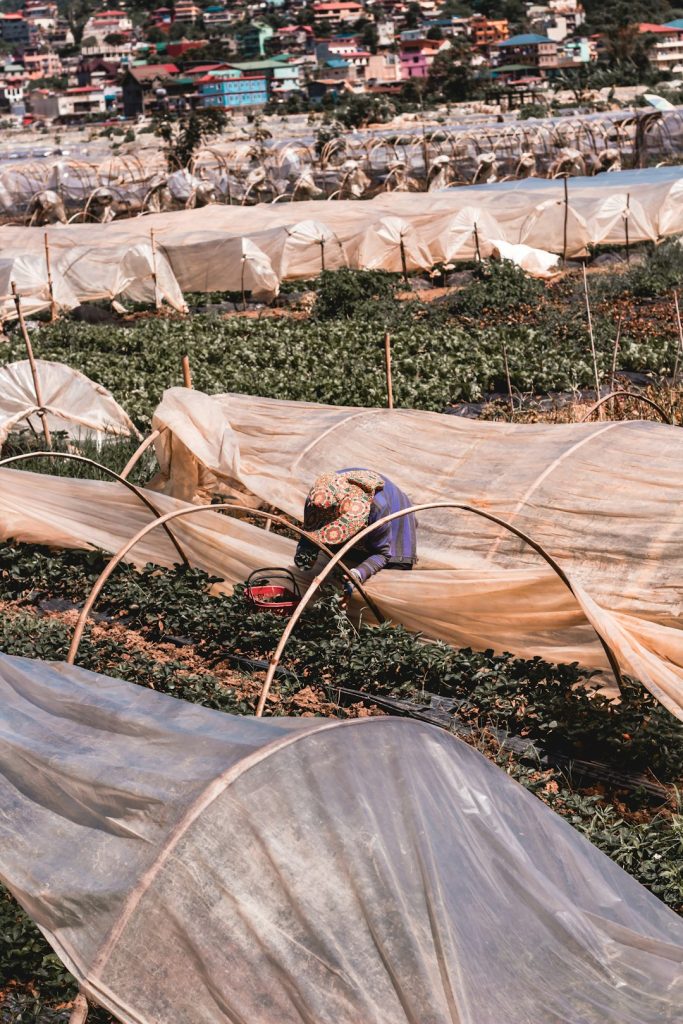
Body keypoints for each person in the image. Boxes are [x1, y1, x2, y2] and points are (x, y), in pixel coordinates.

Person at [293, 468, 417, 590]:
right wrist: (305, 549)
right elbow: (311, 531)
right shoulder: (318, 498)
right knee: (342, 559)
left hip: (397, 519)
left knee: (389, 583)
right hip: (364, 517)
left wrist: (357, 574)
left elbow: (383, 553)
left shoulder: (377, 507)